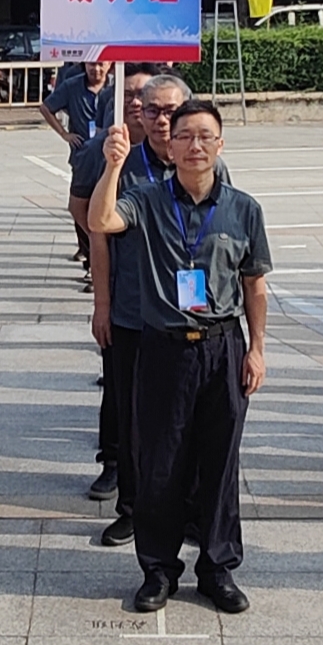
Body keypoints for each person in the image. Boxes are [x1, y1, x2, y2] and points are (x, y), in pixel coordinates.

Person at [92, 96, 273, 613]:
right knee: (159, 464)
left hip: (221, 347)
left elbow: (254, 284)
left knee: (219, 464)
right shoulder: (148, 199)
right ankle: (158, 568)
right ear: (170, 145)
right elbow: (103, 220)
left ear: (220, 144)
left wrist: (257, 349)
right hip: (163, 349)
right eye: (185, 136)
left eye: (205, 137)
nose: (195, 146)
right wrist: (112, 166)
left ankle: (217, 567)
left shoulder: (243, 208)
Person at [86, 73, 184, 538]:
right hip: (130, 311)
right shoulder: (124, 165)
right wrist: (101, 304)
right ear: (139, 114)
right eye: (153, 111)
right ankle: (131, 509)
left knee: (181, 418)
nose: (162, 121)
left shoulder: (200, 163)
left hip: (186, 316)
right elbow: (100, 235)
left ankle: (184, 509)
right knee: (131, 416)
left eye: (171, 111)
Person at [47, 53, 116, 268]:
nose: (96, 69)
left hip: (108, 158)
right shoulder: (72, 85)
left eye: (101, 64)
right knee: (81, 206)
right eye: (92, 64)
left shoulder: (117, 89)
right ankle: (88, 254)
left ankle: (101, 257)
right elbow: (46, 108)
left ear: (110, 65)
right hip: (83, 156)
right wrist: (64, 134)